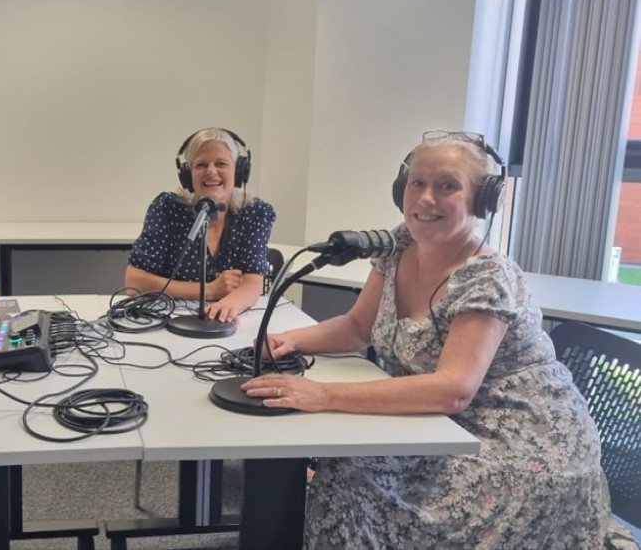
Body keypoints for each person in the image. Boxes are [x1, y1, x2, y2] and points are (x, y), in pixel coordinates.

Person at [242, 130, 637, 549]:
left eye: (447, 186)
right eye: (417, 183)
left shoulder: (487, 277)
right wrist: (289, 340)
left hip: (522, 449)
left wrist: (323, 394)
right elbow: (358, 327)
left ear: (481, 200)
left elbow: (453, 391)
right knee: (344, 462)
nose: (426, 199)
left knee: (351, 473)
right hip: (439, 425)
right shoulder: (400, 244)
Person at [125, 128, 276, 323]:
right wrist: (210, 290)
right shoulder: (168, 208)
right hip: (166, 320)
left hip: (226, 324)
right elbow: (134, 281)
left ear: (238, 172)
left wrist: (226, 307)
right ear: (188, 175)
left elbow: (252, 283)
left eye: (221, 163)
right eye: (201, 164)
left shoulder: (255, 213)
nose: (211, 171)